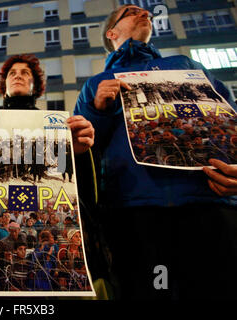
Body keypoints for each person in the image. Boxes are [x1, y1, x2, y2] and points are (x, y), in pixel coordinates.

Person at [74, 4, 237, 299]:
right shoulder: (96, 84)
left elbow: (229, 119)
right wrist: (98, 111)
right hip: (137, 213)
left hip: (211, 203)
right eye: (131, 11)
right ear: (112, 32)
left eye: (145, 11)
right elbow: (82, 150)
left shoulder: (189, 67)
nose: (143, 12)